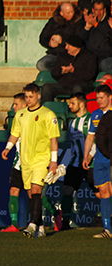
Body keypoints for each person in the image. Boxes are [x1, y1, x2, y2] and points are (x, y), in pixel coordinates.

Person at [2, 83, 60, 238]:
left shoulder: (48, 114)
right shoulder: (21, 115)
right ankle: (40, 225)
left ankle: (32, 224)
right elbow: (15, 133)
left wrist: (53, 161)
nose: (28, 100)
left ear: (38, 95)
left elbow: (54, 140)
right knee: (31, 195)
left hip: (41, 158)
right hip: (25, 160)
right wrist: (8, 147)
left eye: (31, 96)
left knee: (36, 190)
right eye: (26, 97)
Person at [59, 93, 95, 231]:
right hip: (75, 164)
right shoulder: (72, 122)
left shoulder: (92, 119)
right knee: (67, 190)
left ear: (81, 103)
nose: (69, 106)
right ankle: (65, 222)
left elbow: (96, 141)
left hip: (90, 163)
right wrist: (64, 164)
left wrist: (90, 156)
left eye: (72, 103)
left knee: (100, 192)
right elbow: (71, 145)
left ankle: (105, 219)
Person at [82, 85, 112, 238]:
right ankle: (107, 229)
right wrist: (87, 155)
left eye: (101, 98)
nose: (99, 101)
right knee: (104, 192)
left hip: (110, 158)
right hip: (99, 158)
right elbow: (90, 137)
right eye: (97, 98)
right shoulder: (95, 115)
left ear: (109, 97)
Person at [0, 93, 28, 232]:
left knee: (34, 194)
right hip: (19, 162)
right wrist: (8, 148)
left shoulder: (34, 118)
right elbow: (15, 135)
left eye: (16, 104)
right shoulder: (17, 118)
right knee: (14, 189)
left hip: (33, 162)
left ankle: (53, 215)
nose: (14, 107)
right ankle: (14, 224)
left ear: (25, 105)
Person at [41, 35, 97, 103]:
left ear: (76, 47)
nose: (66, 47)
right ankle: (46, 110)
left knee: (77, 88)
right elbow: (54, 73)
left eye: (68, 45)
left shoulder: (89, 56)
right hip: (65, 85)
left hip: (82, 85)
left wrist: (74, 70)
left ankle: (77, 111)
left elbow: (90, 74)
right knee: (47, 87)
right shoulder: (63, 55)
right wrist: (62, 71)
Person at [37, 2, 83, 71]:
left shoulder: (79, 22)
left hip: (71, 55)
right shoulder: (53, 21)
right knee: (41, 64)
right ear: (61, 13)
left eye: (72, 12)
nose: (71, 14)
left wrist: (62, 41)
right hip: (55, 54)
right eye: (68, 13)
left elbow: (79, 40)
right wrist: (50, 43)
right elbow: (42, 38)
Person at [80, 0, 112, 73]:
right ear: (93, 10)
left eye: (101, 10)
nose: (98, 12)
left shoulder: (109, 22)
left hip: (106, 57)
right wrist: (87, 28)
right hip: (91, 58)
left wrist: (96, 25)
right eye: (96, 10)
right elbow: (80, 41)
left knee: (106, 64)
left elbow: (108, 36)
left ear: (104, 10)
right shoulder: (88, 20)